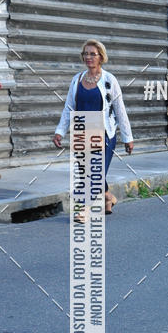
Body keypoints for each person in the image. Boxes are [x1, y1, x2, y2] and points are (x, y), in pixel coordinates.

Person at [53, 39, 133, 218]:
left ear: (101, 57)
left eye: (92, 54)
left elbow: (120, 110)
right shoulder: (77, 80)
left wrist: (128, 137)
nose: (88, 57)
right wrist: (60, 131)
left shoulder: (109, 80)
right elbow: (69, 107)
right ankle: (107, 197)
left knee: (94, 173)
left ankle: (84, 209)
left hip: (104, 134)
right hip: (83, 133)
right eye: (86, 54)